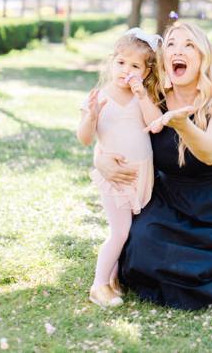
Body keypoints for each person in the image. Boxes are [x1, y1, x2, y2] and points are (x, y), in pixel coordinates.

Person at [97, 21, 212, 310]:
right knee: (141, 248)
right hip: (169, 201)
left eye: (189, 45)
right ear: (163, 59)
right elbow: (115, 135)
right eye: (172, 44)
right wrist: (101, 159)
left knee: (194, 265)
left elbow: (211, 153)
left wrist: (182, 124)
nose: (179, 50)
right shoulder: (153, 102)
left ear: (203, 57)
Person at [76, 28, 165, 309]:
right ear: (112, 62)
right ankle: (98, 284)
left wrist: (141, 94)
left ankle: (114, 277)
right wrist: (91, 116)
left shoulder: (142, 97)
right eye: (121, 63)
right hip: (116, 176)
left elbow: (157, 124)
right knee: (119, 231)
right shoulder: (100, 97)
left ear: (146, 72)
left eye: (135, 66)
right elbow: (85, 138)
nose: (126, 70)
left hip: (142, 174)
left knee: (131, 230)